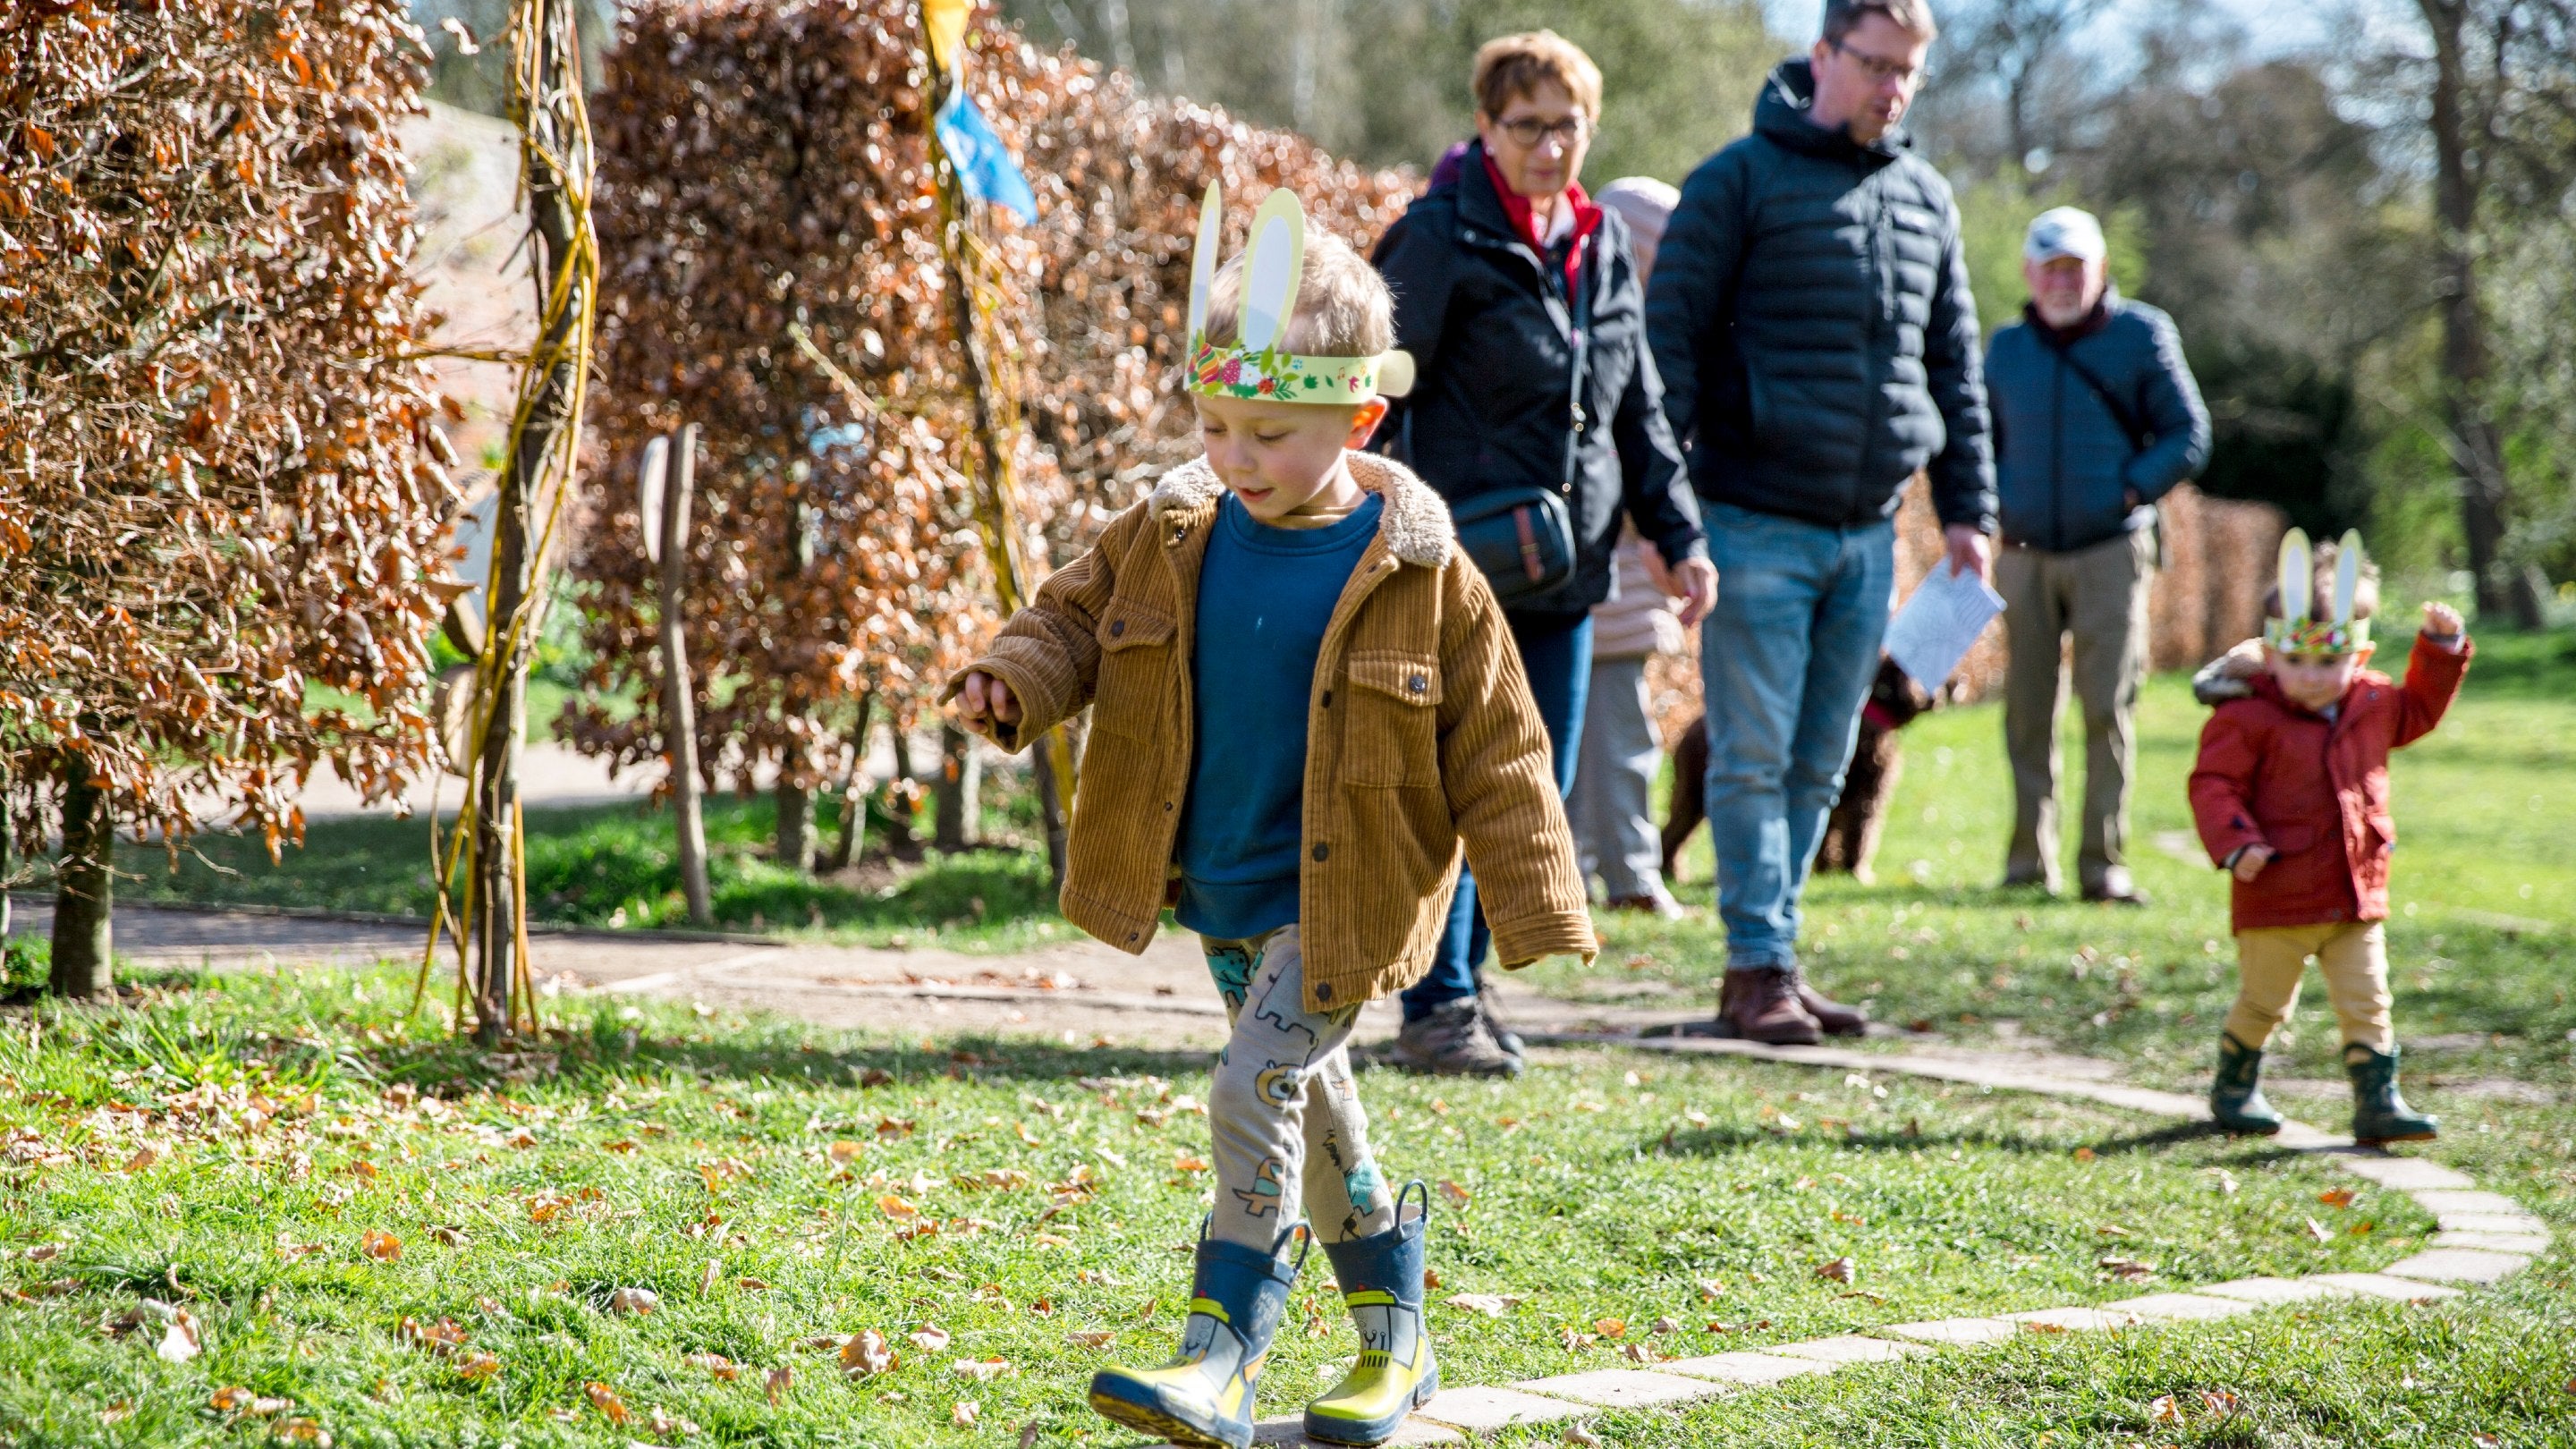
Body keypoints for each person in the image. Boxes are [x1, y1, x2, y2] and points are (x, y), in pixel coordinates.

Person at [948, 187, 1592, 1449]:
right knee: (1315, 1103)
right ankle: (1395, 1343)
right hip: (1223, 886)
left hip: (1347, 900)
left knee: (1255, 1083)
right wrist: (1010, 678)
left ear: (1359, 417)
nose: (1237, 458)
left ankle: (1221, 1353)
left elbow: (1502, 747)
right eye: (1221, 425)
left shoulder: (1427, 571)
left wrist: (1533, 904)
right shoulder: (1173, 526)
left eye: (1273, 435)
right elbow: (1070, 619)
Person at [1646, 0, 1995, 1044]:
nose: (1892, 89)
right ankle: (1757, 967)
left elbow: (1956, 371)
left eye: (1909, 73)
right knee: (1750, 755)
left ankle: (1775, 958)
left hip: (1869, 534)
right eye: (1876, 65)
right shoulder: (1734, 184)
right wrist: (1671, 523)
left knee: (1821, 758)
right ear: (1823, 56)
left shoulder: (1927, 199)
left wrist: (1971, 511)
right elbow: (1665, 362)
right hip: (1751, 521)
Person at [1371, 31, 1714, 1075]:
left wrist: (1679, 534)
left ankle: (1463, 994)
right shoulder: (1436, 238)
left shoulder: (1602, 243)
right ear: (1486, 128)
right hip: (1458, 566)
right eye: (1527, 125)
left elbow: (1637, 405)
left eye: (1568, 125)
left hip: (1568, 573)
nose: (1550, 146)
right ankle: (1438, 1006)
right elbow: (1376, 394)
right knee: (1456, 789)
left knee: (1530, 790)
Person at [2188, 530, 2469, 1147]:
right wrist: (2237, 843)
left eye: (2329, 663)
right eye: (2295, 662)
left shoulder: (2373, 705)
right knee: (2265, 1003)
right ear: (2269, 654)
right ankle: (2235, 1087)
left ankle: (2378, 1101)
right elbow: (2213, 785)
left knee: (2369, 1000)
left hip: (2353, 894)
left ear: (2359, 657)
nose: (2311, 677)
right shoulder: (2246, 715)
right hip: (2276, 894)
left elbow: (2420, 709)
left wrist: (2441, 649)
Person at [1987, 206, 2212, 905]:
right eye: (2049, 267)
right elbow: (1977, 439)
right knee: (2026, 712)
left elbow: (2188, 433)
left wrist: (2127, 492)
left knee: (2106, 709)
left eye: (2074, 268)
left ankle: (2101, 864)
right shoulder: (2004, 349)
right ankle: (2028, 863)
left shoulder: (2141, 335)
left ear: (2100, 270)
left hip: (2109, 552)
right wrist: (1996, 500)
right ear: (2029, 273)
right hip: (2022, 555)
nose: (2061, 282)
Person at [1572, 176, 1690, 918]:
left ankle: (1593, 869)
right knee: (1617, 736)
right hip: (1604, 571)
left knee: (1603, 732)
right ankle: (1630, 876)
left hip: (1612, 571)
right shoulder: (1617, 335)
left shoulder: (1618, 329)